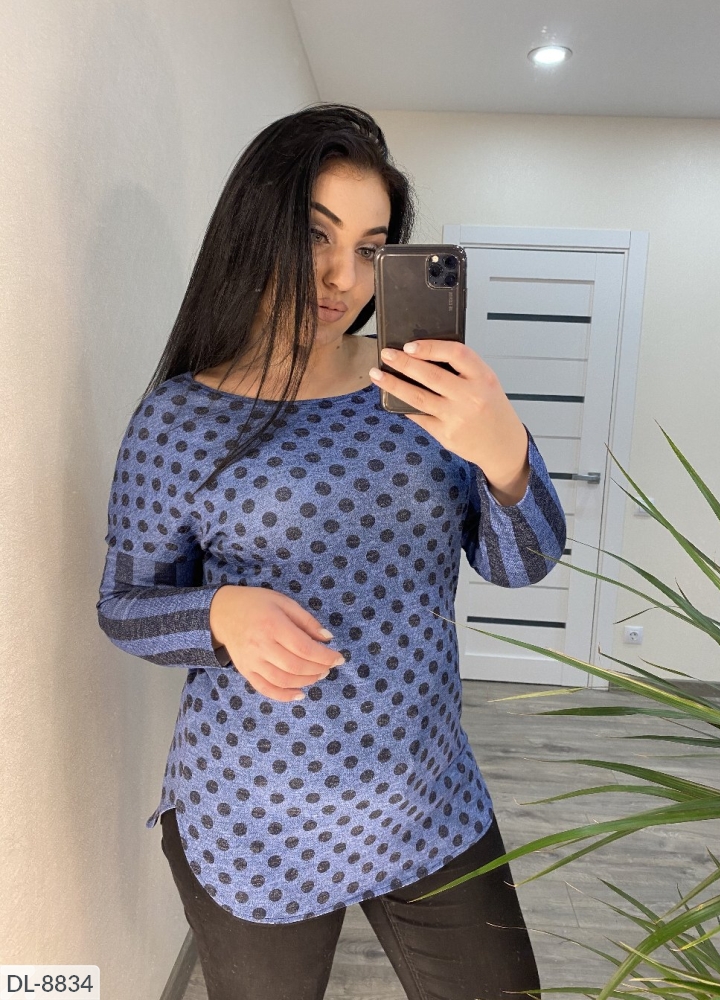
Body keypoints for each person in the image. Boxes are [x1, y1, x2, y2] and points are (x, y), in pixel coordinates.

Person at [97, 103, 566, 1000]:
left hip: (429, 797)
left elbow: (520, 564)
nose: (342, 278)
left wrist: (504, 450)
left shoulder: (424, 394)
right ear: (254, 226)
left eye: (370, 248)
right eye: (315, 235)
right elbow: (124, 605)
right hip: (253, 820)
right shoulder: (180, 418)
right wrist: (220, 614)